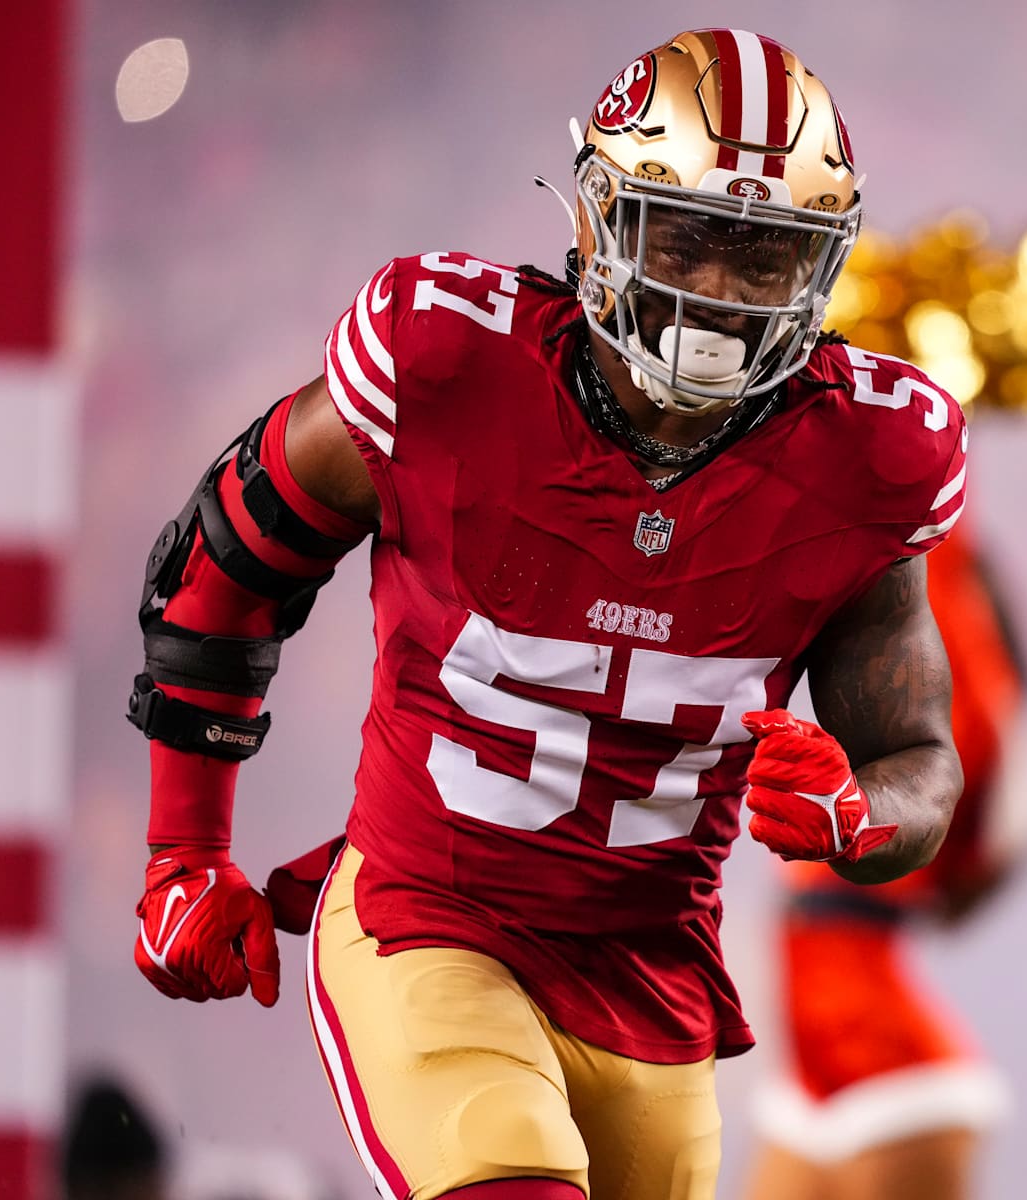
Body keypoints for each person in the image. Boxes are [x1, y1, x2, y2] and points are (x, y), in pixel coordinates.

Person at [123, 29, 968, 1200]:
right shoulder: (445, 363)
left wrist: (856, 816)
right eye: (687, 236)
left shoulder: (871, 459)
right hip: (432, 915)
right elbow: (221, 567)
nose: (717, 294)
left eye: (764, 255)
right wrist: (183, 853)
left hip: (652, 981)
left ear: (821, 264)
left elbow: (917, 761)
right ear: (597, 219)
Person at [743, 521, 1027, 1200]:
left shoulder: (956, 724)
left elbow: (937, 545)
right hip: (805, 1081)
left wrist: (941, 530)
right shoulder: (868, 699)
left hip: (897, 1076)